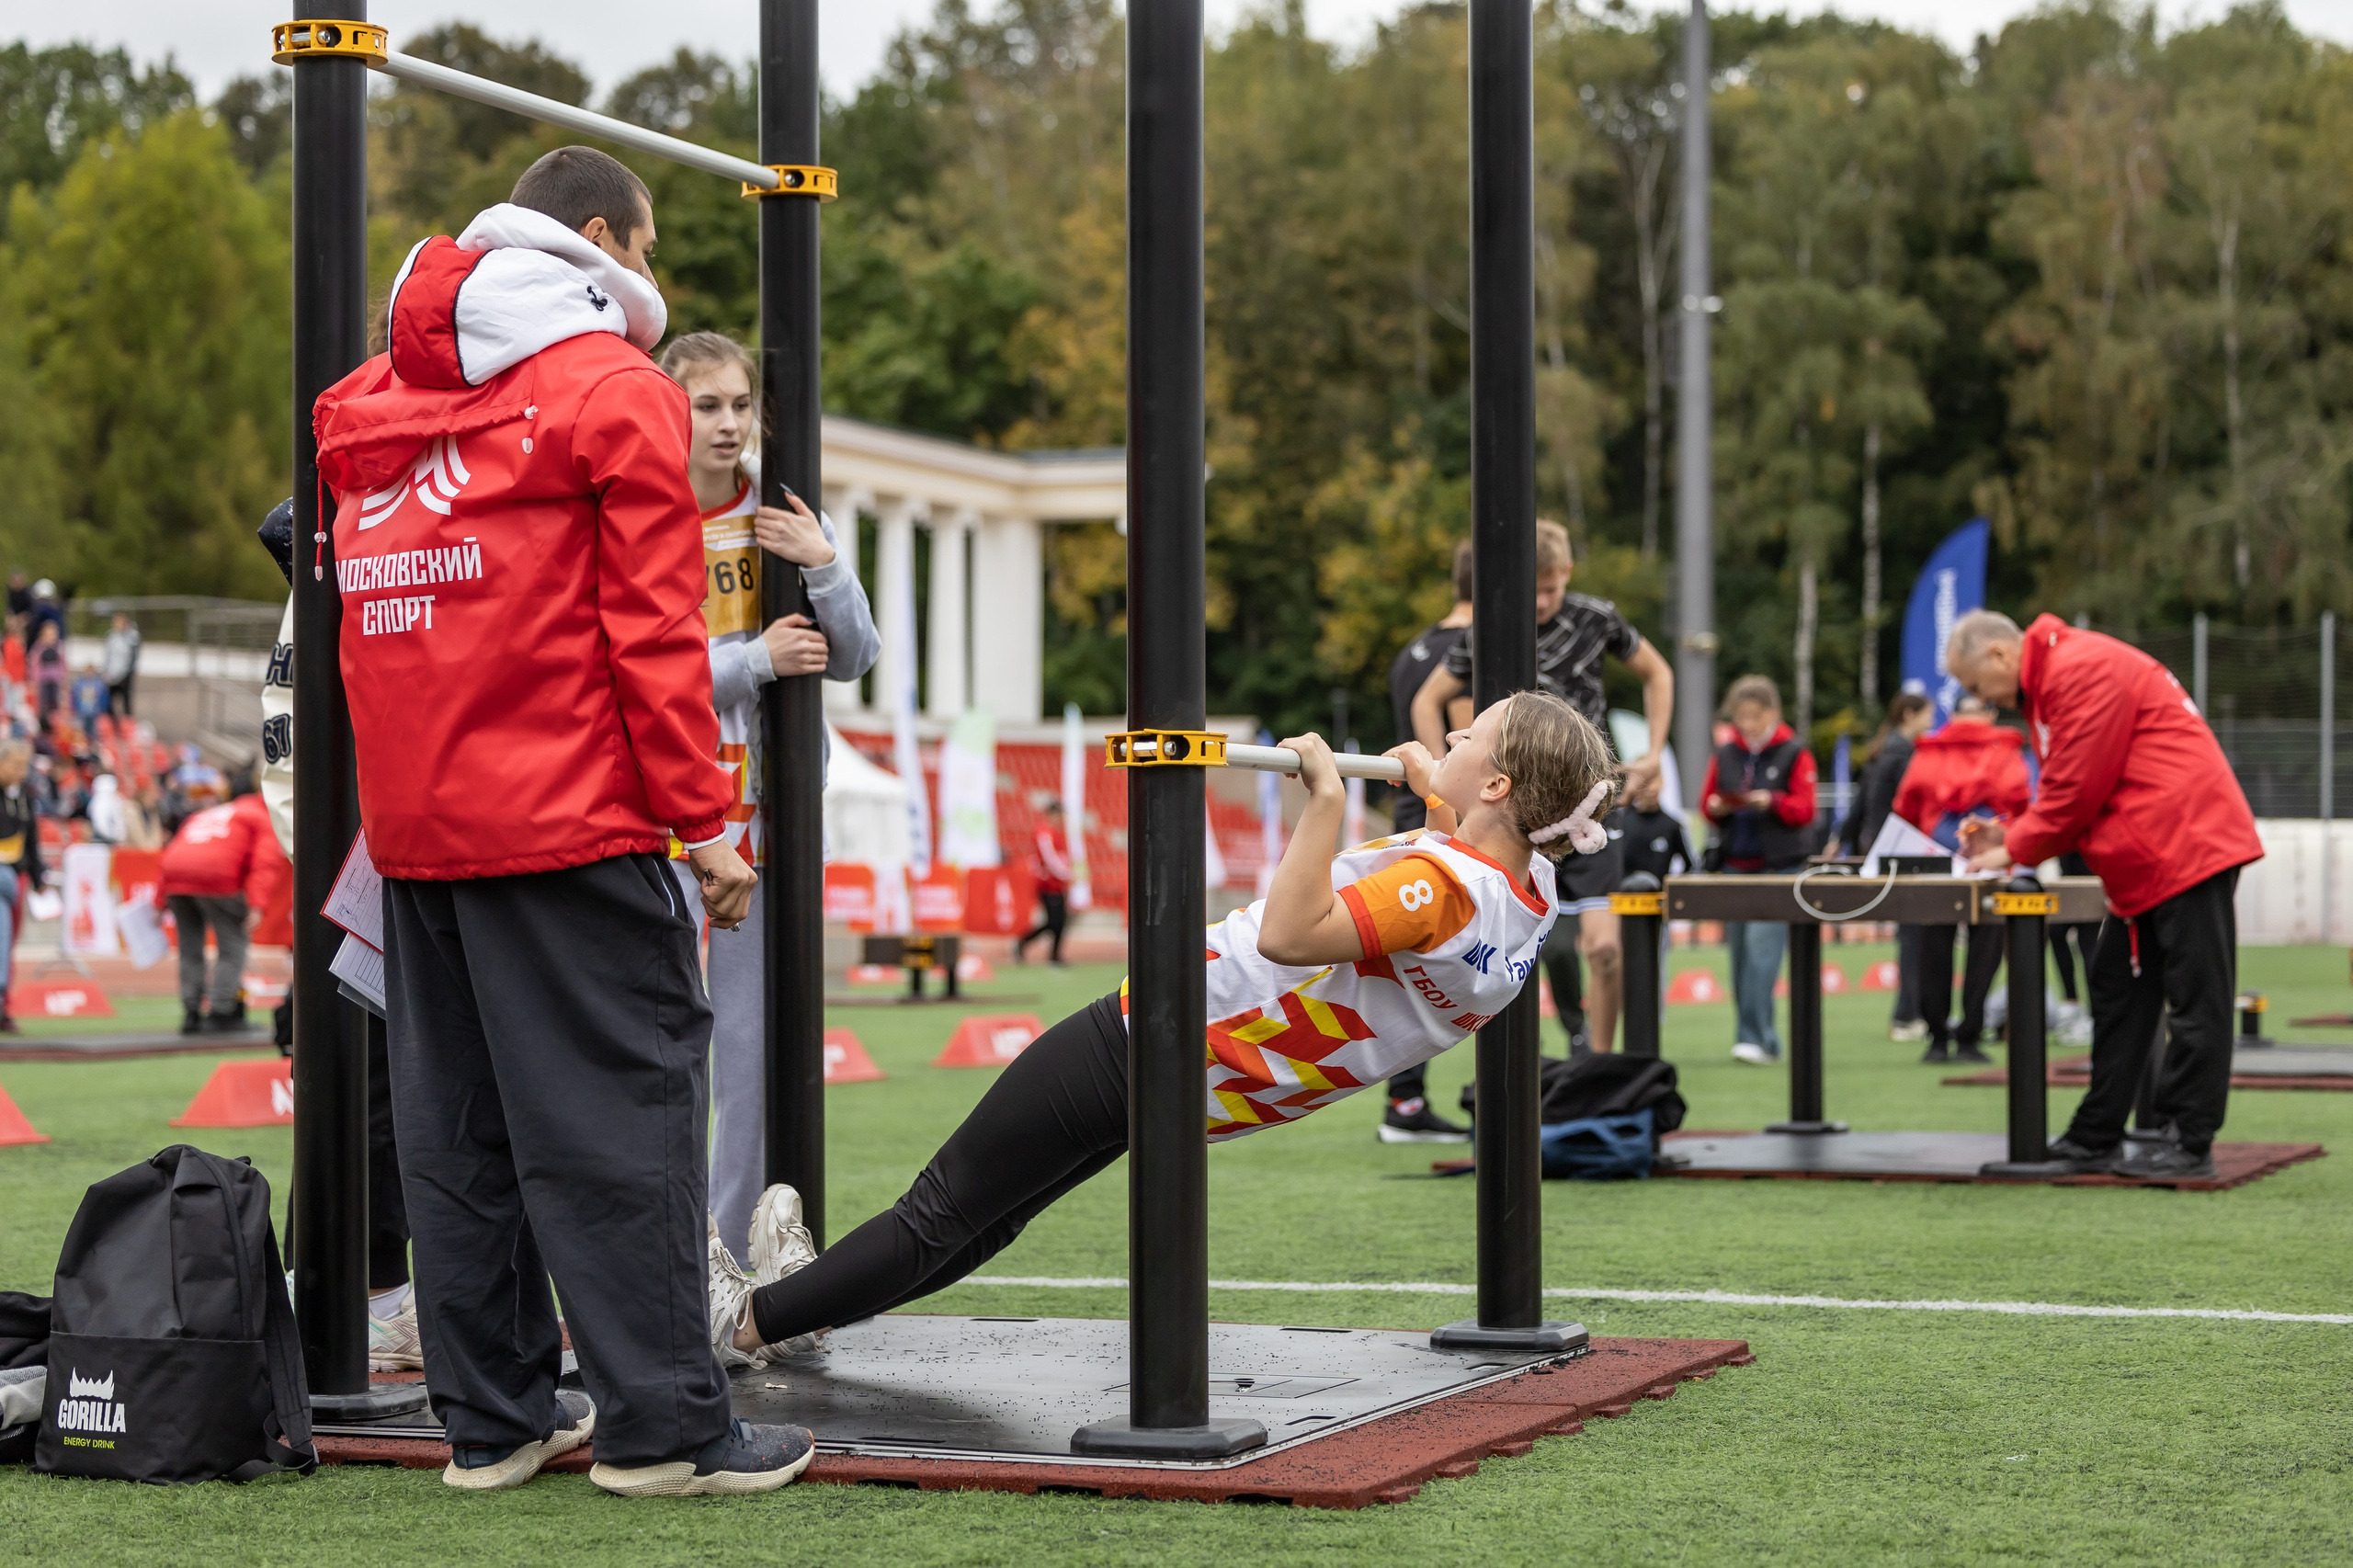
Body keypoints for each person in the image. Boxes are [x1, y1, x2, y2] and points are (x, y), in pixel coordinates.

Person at [312, 145, 810, 1495]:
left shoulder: (364, 399)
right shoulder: (609, 386)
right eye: (646, 251)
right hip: (569, 817)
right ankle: (667, 1429)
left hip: (416, 827)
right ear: (603, 242)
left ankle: (495, 1420)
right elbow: (649, 633)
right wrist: (704, 824)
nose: (654, 278)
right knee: (628, 1115)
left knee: (459, 1132)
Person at [707, 693, 1618, 1361]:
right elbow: (1447, 905)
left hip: (1165, 1033)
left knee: (944, 1205)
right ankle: (805, 1306)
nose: (1451, 731)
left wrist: (1326, 804)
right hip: (1209, 1077)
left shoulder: (1439, 890)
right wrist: (1439, 800)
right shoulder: (1525, 897)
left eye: (1473, 734)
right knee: (985, 1218)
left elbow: (1292, 932)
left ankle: (745, 1320)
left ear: (1497, 780)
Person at [656, 330, 880, 1265]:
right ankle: (671, 1251)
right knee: (669, 1044)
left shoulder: (779, 515)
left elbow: (856, 656)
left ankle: (738, 1255)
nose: (728, 424)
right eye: (706, 405)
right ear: (667, 407)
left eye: (740, 404)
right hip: (668, 816)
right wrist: (754, 658)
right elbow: (638, 675)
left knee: (750, 1050)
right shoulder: (640, 516)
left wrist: (824, 565)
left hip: (767, 818)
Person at [1949, 609, 2263, 1181]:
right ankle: (2099, 1134)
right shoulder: (2061, 674)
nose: (1983, 701)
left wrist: (2012, 848)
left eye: (1975, 686)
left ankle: (2188, 1141)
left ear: (1998, 654)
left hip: (2184, 845)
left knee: (2197, 999)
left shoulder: (2079, 669)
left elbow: (2076, 790)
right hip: (2153, 853)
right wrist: (2012, 830)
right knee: (2118, 990)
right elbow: (2077, 781)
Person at [1408, 520, 1675, 1071]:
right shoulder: (1491, 629)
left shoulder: (1595, 618)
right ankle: (1517, 1071)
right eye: (1533, 589)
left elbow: (1658, 672)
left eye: (1551, 588)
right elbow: (1427, 700)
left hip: (1587, 804)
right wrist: (1441, 772)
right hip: (1518, 813)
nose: (1543, 601)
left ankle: (1597, 1070)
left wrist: (1653, 750)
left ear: (1567, 575)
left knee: (1604, 948)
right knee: (1516, 950)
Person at [1892, 696, 2029, 1064]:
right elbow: (2024, 806)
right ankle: (1969, 1035)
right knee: (1986, 950)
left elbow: (1905, 806)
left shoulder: (1929, 753)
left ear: (1952, 715)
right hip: (1991, 863)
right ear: (1990, 714)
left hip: (1937, 862)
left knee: (1932, 949)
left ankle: (1937, 1038)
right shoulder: (2007, 752)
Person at [1699, 676, 1818, 1065]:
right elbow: (1706, 803)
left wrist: (1775, 802)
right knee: (1739, 957)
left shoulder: (1794, 752)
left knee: (1762, 953)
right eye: (1740, 717)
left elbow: (1806, 810)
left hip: (1779, 868)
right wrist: (1717, 807)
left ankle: (1753, 1037)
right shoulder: (1726, 753)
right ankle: (1762, 1040)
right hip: (1736, 864)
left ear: (1771, 713)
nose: (1746, 724)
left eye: (1754, 715)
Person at [1842, 692, 1934, 1040]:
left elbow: (1862, 802)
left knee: (1911, 933)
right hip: (1902, 851)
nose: (1930, 722)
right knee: (1915, 933)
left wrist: (1847, 839)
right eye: (1926, 715)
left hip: (1883, 849)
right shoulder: (1903, 754)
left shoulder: (1883, 750)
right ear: (1909, 715)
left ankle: (1910, 1013)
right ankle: (1908, 1015)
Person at [158, 789, 282, 1035]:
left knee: (189, 948)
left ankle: (191, 1013)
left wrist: (158, 899)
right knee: (232, 948)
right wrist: (257, 905)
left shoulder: (209, 813)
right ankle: (221, 1012)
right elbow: (264, 863)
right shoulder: (261, 816)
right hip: (216, 876)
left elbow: (173, 851)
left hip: (176, 875)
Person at [1387, 540, 1476, 836]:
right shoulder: (1469, 651)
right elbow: (1468, 742)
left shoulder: (1414, 648)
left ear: (1456, 586)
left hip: (1409, 811)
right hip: (1444, 821)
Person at [0, 741, 43, 1035]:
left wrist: (39, 877)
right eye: (15, 765)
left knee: (8, 944)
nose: (21, 771)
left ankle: (3, 1006)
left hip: (17, 878)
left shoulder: (25, 798)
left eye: (23, 765)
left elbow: (32, 840)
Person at [1016, 799, 1074, 966]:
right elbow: (1050, 859)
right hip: (1048, 884)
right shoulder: (1044, 832)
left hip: (1057, 883)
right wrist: (1066, 874)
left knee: (1060, 920)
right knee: (1054, 921)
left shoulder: (1054, 832)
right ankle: (1024, 941)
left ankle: (1055, 955)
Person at [102, 611, 141, 717]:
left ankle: (127, 724)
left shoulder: (131, 637)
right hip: (111, 674)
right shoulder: (111, 636)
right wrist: (105, 671)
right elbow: (108, 656)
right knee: (108, 701)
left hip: (125, 675)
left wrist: (127, 673)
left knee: (126, 701)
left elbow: (133, 657)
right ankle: (112, 723)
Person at [28, 622, 62, 719]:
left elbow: (63, 664)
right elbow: (34, 664)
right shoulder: (38, 648)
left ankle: (54, 725)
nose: (52, 638)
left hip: (55, 680)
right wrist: (35, 680)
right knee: (42, 704)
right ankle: (42, 724)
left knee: (55, 705)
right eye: (49, 635)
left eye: (54, 635)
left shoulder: (59, 647)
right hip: (43, 681)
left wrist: (62, 678)